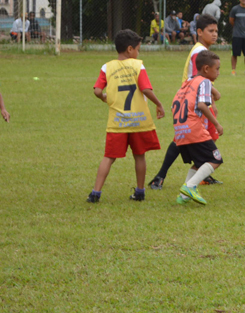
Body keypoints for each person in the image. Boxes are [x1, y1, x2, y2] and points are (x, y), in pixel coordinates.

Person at [86, 29, 166, 203]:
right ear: (130, 49)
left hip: (118, 122)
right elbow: (145, 89)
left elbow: (97, 90)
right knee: (139, 155)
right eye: (138, 49)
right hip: (139, 121)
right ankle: (140, 191)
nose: (138, 53)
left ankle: (95, 193)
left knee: (109, 157)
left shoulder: (107, 67)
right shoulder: (138, 66)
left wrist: (103, 97)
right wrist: (158, 104)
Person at [149, 15, 222, 190]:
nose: (214, 35)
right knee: (184, 139)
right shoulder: (199, 52)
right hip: (193, 103)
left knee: (199, 138)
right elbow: (198, 78)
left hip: (194, 100)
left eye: (216, 31)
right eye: (210, 31)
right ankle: (161, 176)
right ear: (199, 32)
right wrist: (213, 96)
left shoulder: (202, 49)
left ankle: (200, 174)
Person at [171, 50, 224, 205]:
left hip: (180, 130)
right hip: (194, 127)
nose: (219, 73)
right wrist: (216, 123)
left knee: (200, 162)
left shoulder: (188, 82)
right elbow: (202, 104)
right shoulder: (205, 82)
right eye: (217, 69)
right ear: (207, 69)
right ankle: (191, 186)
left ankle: (184, 196)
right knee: (215, 159)